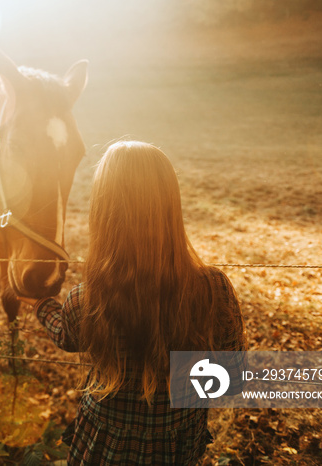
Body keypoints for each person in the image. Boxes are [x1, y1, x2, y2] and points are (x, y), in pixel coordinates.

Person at [18, 141, 246, 465]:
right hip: (177, 442)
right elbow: (231, 376)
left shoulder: (88, 299)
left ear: (103, 212)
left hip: (103, 445)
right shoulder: (212, 289)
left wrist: (41, 304)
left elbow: (67, 336)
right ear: (171, 205)